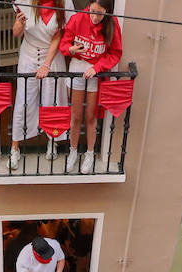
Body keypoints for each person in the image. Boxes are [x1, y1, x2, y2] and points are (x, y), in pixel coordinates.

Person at [58, 0, 122, 175]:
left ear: (107, 12)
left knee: (91, 116)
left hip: (95, 71)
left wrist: (97, 68)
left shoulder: (112, 23)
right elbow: (64, 44)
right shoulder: (78, 19)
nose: (94, 17)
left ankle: (89, 153)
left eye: (99, 14)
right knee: (76, 115)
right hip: (77, 67)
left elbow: (115, 53)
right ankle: (72, 152)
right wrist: (71, 49)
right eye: (92, 11)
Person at [8, 0, 69, 170]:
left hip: (52, 56)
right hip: (28, 54)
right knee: (23, 99)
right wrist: (19, 23)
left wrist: (46, 64)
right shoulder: (26, 2)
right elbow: (16, 33)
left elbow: (58, 35)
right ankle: (15, 148)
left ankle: (53, 141)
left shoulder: (62, 4)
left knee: (54, 99)